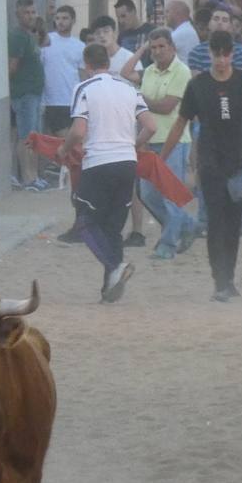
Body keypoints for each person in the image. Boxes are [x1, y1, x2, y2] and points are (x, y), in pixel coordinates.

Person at [167, 30, 242, 301]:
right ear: (210, 54)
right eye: (217, 54)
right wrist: (163, 155)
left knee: (235, 223)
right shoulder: (198, 85)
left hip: (240, 163)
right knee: (215, 222)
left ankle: (230, 278)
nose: (222, 60)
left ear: (232, 54)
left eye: (226, 54)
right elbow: (181, 124)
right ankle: (219, 281)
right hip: (210, 163)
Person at [56, 43, 156, 303]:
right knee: (112, 227)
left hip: (99, 162)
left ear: (87, 65)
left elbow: (78, 131)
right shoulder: (128, 88)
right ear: (107, 63)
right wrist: (132, 146)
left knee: (85, 222)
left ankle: (115, 266)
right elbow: (151, 126)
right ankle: (108, 289)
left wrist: (64, 149)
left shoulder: (84, 88)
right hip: (126, 162)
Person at [136, 28, 199, 260]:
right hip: (149, 140)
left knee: (170, 196)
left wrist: (140, 100)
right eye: (153, 48)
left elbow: (167, 106)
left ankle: (168, 245)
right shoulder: (149, 71)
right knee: (148, 194)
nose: (157, 51)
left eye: (162, 46)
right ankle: (188, 225)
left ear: (172, 47)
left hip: (174, 141)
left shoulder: (181, 71)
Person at [9, 0, 48, 191]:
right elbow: (12, 67)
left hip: (34, 94)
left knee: (32, 137)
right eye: (27, 12)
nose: (31, 16)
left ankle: (34, 177)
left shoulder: (29, 35)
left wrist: (40, 27)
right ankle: (28, 178)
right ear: (18, 14)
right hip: (24, 95)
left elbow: (46, 41)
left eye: (33, 12)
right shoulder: (17, 36)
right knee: (26, 137)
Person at [42, 4, 86, 134]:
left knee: (67, 142)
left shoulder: (80, 46)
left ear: (73, 20)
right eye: (58, 18)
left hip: (70, 101)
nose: (60, 22)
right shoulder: (46, 41)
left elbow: (83, 75)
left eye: (65, 18)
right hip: (48, 101)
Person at [186, 6, 242, 75]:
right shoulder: (196, 52)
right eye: (216, 19)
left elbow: (240, 79)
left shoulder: (241, 52)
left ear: (230, 27)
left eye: (224, 20)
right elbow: (197, 82)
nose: (219, 23)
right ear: (209, 24)